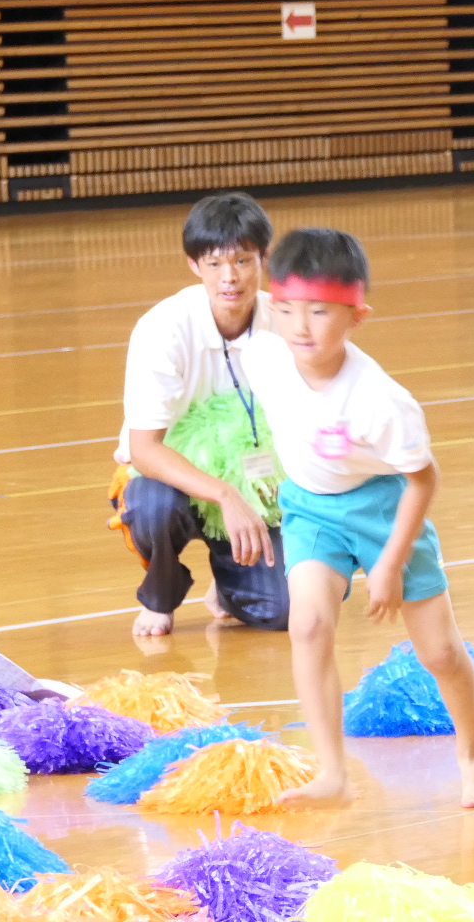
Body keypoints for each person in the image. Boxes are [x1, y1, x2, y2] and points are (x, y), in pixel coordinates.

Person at [239, 227, 474, 809]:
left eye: (319, 311)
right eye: (287, 309)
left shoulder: (382, 401)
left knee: (439, 653)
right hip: (310, 506)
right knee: (308, 625)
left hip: (383, 506)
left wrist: (389, 562)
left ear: (357, 316)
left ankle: (473, 751)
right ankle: (332, 774)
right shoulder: (264, 357)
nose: (300, 326)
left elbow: (423, 480)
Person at [107, 191, 291, 637]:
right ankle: (161, 594)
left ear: (264, 259)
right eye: (215, 263)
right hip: (172, 477)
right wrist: (225, 495)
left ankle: (230, 587)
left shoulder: (285, 322)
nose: (230, 277)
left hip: (256, 481)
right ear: (194, 265)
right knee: (153, 506)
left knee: (284, 611)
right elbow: (145, 449)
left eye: (243, 261)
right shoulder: (163, 329)